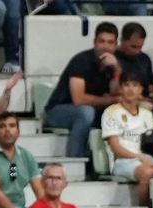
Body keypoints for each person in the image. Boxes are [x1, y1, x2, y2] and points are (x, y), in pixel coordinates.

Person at [43, 22, 121, 159]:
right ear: (94, 42)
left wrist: (116, 70)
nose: (105, 46)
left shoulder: (113, 64)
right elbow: (78, 99)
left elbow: (117, 93)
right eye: (101, 41)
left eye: (110, 42)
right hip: (58, 112)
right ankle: (76, 160)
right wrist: (111, 100)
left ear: (116, 45)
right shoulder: (81, 61)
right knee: (86, 112)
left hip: (91, 112)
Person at [103, 74, 153, 206]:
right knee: (147, 172)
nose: (130, 89)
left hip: (146, 158)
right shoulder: (111, 112)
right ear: (120, 89)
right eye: (127, 85)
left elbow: (152, 143)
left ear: (141, 90)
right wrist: (141, 157)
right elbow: (116, 148)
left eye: (135, 85)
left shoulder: (146, 114)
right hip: (122, 161)